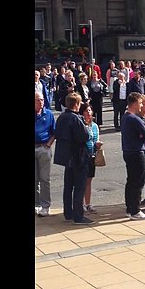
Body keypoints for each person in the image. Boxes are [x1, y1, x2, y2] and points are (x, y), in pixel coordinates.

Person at [54, 93, 93, 225]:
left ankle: (68, 213)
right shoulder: (76, 118)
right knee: (79, 187)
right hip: (78, 156)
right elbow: (85, 136)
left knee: (68, 186)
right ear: (76, 104)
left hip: (66, 157)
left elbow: (57, 134)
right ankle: (78, 216)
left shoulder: (61, 117)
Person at [120, 93, 145, 220]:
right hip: (137, 151)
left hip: (128, 151)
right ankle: (135, 210)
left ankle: (129, 208)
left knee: (131, 180)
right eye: (141, 103)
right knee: (138, 181)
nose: (142, 105)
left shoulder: (125, 117)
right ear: (135, 103)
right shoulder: (134, 118)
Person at [35, 91, 55, 217]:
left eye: (41, 100)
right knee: (35, 179)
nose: (41, 102)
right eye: (38, 100)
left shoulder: (48, 114)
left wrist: (48, 144)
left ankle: (45, 205)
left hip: (44, 147)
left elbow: (54, 131)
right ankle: (36, 204)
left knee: (45, 179)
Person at [80, 102, 103, 214]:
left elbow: (96, 138)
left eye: (89, 110)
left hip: (92, 155)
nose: (88, 113)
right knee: (81, 181)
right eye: (86, 111)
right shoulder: (81, 125)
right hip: (82, 155)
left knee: (88, 181)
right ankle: (81, 203)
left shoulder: (94, 126)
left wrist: (98, 144)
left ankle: (88, 203)